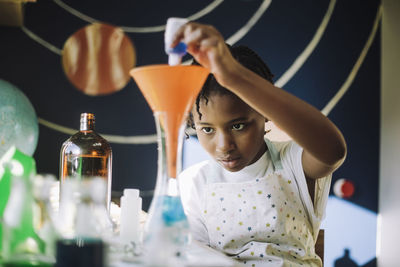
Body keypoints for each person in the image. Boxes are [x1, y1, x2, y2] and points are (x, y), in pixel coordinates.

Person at [173, 22, 347, 267]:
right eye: (207, 130)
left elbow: (333, 151)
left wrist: (234, 76)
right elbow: (193, 254)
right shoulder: (195, 182)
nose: (224, 146)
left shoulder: (292, 164)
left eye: (238, 126)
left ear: (265, 113)